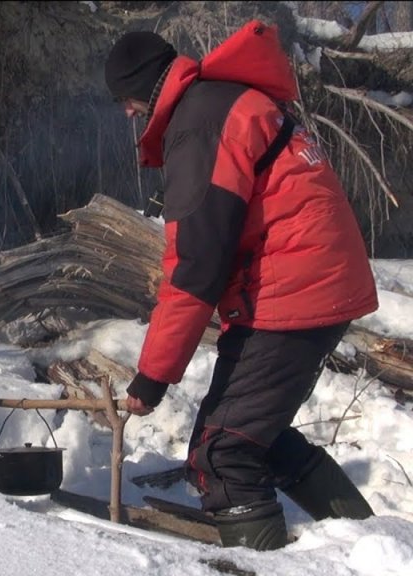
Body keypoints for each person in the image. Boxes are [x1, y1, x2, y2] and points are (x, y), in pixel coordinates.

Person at [104, 21, 379, 550]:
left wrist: (153, 376)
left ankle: (311, 558)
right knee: (254, 437)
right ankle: (377, 547)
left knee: (222, 454)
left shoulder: (202, 122)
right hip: (310, 279)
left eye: (124, 99)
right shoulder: (224, 103)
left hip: (295, 287)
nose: (126, 112)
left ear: (141, 87)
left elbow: (195, 265)